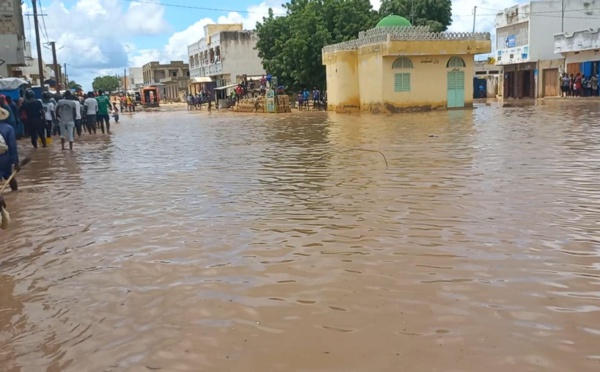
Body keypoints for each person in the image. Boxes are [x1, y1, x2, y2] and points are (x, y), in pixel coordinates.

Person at [0, 107, 19, 191]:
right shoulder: (8, 128)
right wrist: (15, 162)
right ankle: (15, 193)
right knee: (10, 176)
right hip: (4, 157)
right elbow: (12, 146)